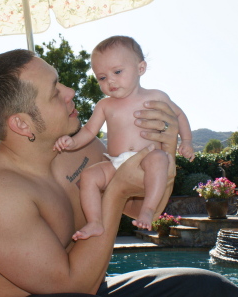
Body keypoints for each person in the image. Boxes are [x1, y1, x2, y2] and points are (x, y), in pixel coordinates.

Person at [0, 49, 238, 297]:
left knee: (210, 289)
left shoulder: (81, 149)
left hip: (93, 287)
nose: (70, 91)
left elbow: (145, 210)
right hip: (65, 292)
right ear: (22, 124)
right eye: (55, 91)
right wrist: (117, 190)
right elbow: (70, 287)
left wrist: (164, 154)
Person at [54, 36, 195, 240]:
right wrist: (72, 142)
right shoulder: (105, 105)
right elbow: (89, 131)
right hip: (116, 165)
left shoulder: (156, 96)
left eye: (117, 72)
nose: (110, 81)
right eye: (102, 78)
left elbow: (179, 115)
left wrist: (187, 141)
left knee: (159, 159)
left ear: (140, 68)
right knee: (88, 177)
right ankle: (95, 222)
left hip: (147, 159)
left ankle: (147, 209)